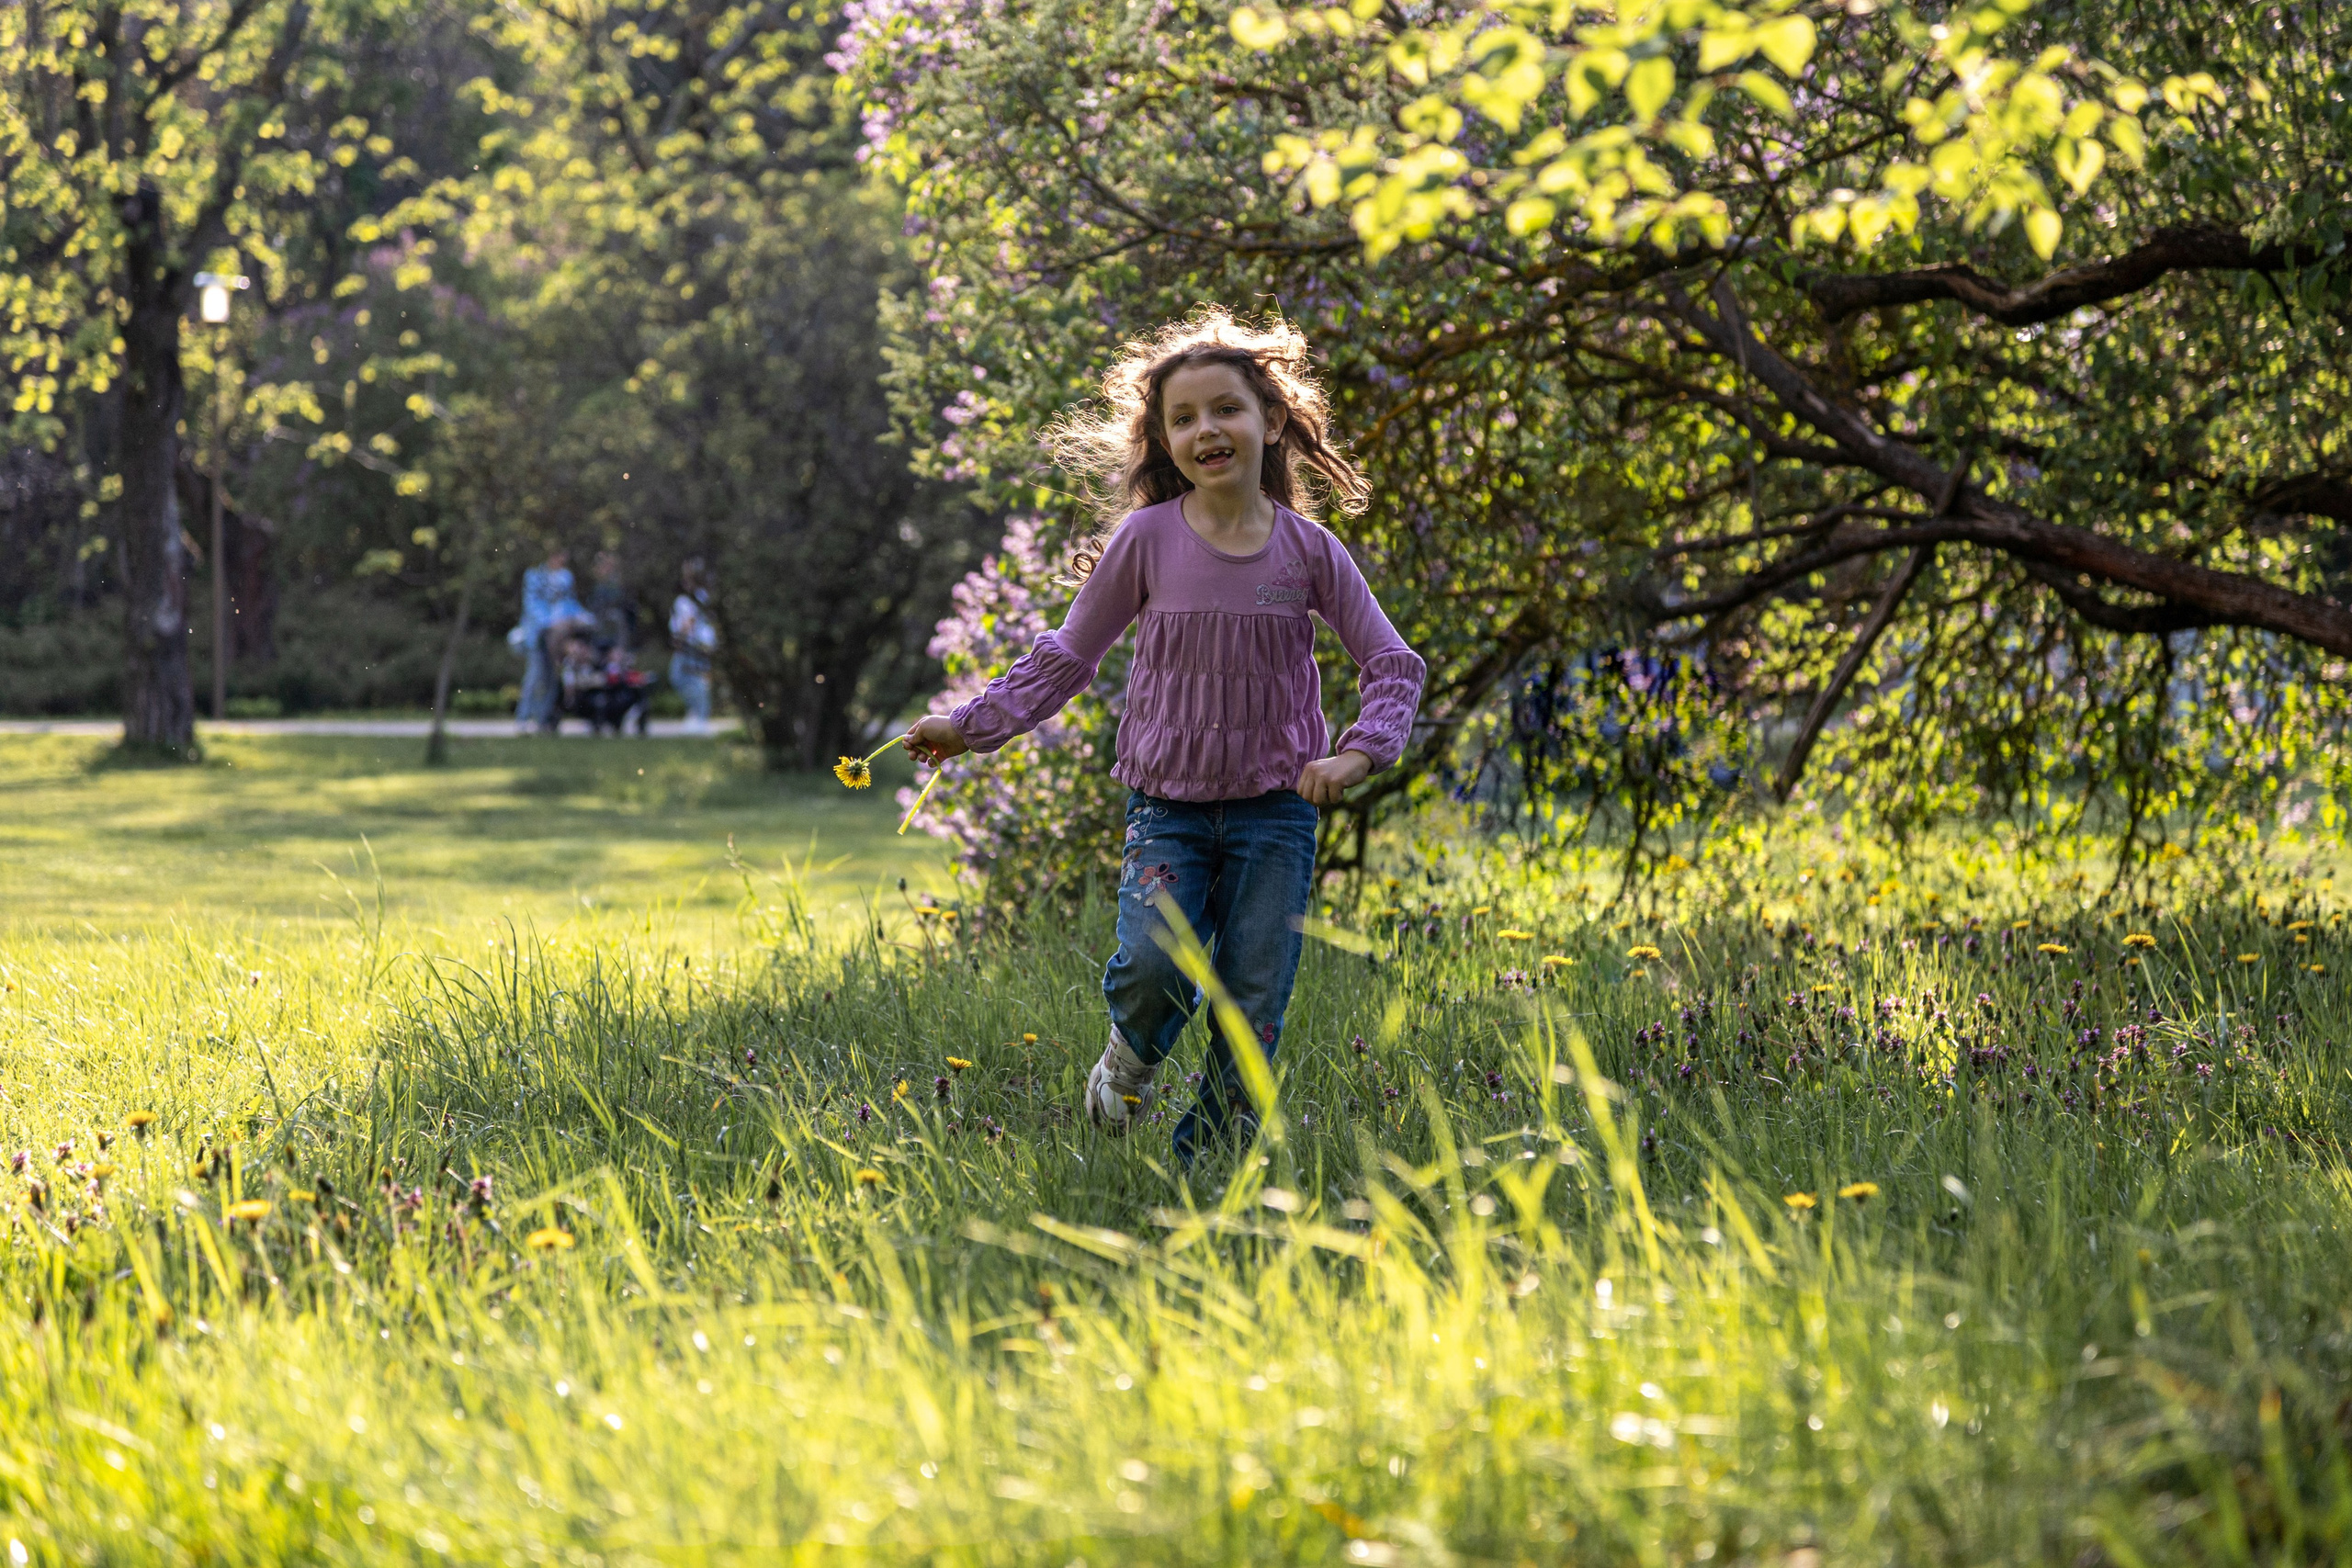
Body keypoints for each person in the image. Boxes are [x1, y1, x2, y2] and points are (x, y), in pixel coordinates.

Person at [902, 310, 1425, 1164]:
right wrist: (968, 727)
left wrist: (1358, 751)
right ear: (1163, 439)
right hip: (1168, 809)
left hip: (1275, 813)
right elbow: (1068, 655)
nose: (1205, 430)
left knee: (1253, 995)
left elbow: (1392, 662)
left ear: (1272, 421)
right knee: (1153, 967)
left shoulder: (1309, 551)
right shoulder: (1146, 540)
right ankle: (1130, 1056)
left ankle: (1205, 1162)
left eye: (1226, 409)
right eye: (1182, 418)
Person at [510, 547, 583, 733]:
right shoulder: (535, 576)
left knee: (551, 679)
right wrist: (551, 621)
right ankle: (523, 718)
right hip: (538, 635)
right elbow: (532, 604)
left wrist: (581, 617)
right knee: (535, 676)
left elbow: (570, 603)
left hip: (557, 638)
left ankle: (544, 720)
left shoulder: (566, 577)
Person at [669, 558, 718, 735]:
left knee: (696, 681)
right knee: (684, 679)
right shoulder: (691, 597)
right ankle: (696, 714)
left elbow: (689, 621)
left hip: (694, 646)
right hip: (692, 645)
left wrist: (679, 637)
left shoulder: (697, 597)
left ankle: (701, 718)